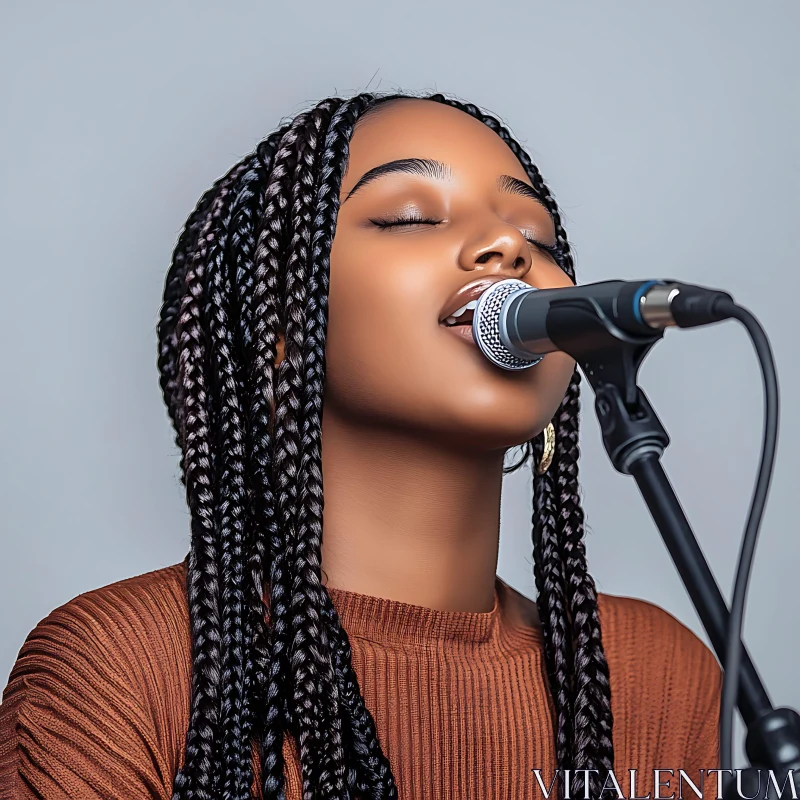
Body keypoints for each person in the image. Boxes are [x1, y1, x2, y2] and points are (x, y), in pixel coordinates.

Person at [0, 93, 722, 800]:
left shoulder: (656, 674)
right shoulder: (122, 667)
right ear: (280, 332)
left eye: (537, 237)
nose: (508, 248)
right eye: (409, 216)